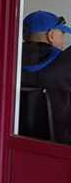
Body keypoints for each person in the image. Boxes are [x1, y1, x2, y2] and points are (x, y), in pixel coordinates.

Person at [21, 10, 71, 143]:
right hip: (60, 148)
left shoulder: (9, 63)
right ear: (51, 35)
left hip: (20, 142)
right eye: (62, 34)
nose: (63, 40)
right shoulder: (65, 63)